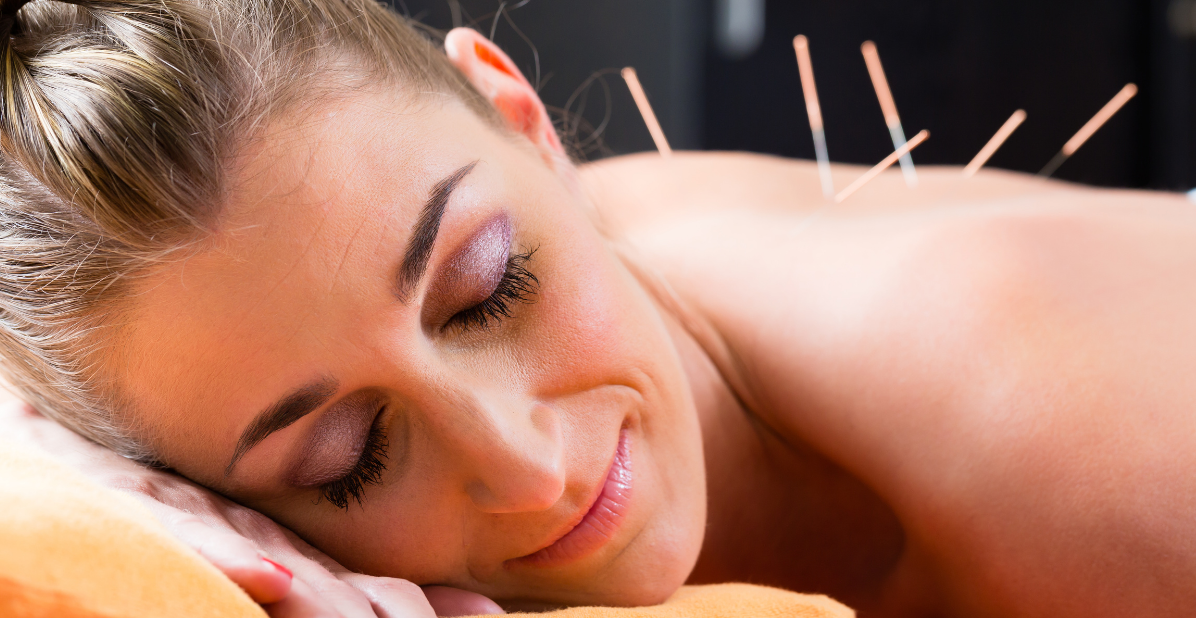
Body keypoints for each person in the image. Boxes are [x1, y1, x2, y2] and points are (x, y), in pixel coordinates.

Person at [3, 0, 1196, 616]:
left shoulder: (1074, 447)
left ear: (521, 117)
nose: (523, 469)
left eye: (488, 292)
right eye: (348, 459)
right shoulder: (441, 207)